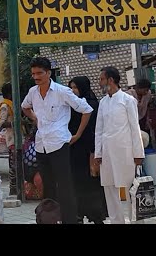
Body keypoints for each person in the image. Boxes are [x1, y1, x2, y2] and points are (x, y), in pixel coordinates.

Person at [21, 57, 93, 224]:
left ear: (48, 73)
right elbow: (25, 106)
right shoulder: (33, 92)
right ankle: (50, 219)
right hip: (41, 145)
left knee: (65, 186)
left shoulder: (62, 91)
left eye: (40, 73)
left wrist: (78, 134)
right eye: (33, 74)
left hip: (59, 144)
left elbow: (86, 109)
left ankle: (70, 220)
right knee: (47, 185)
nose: (36, 77)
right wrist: (35, 118)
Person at [94, 66, 145, 224]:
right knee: (109, 188)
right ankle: (117, 221)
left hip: (125, 151)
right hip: (107, 152)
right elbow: (99, 130)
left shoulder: (128, 100)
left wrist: (138, 154)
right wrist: (98, 153)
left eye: (102, 79)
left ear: (111, 80)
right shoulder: (103, 102)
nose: (100, 82)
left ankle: (137, 221)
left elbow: (134, 128)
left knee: (131, 188)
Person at [68, 76, 107, 224]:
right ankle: (78, 213)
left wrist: (95, 151)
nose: (72, 90)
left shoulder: (92, 105)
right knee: (76, 183)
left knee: (91, 184)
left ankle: (96, 215)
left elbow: (95, 129)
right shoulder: (70, 105)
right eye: (70, 87)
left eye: (75, 87)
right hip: (74, 150)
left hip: (89, 149)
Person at [0, 82, 16, 195]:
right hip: (12, 138)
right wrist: (17, 123)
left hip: (17, 138)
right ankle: (13, 189)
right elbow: (1, 123)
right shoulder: (5, 106)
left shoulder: (12, 104)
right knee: (13, 165)